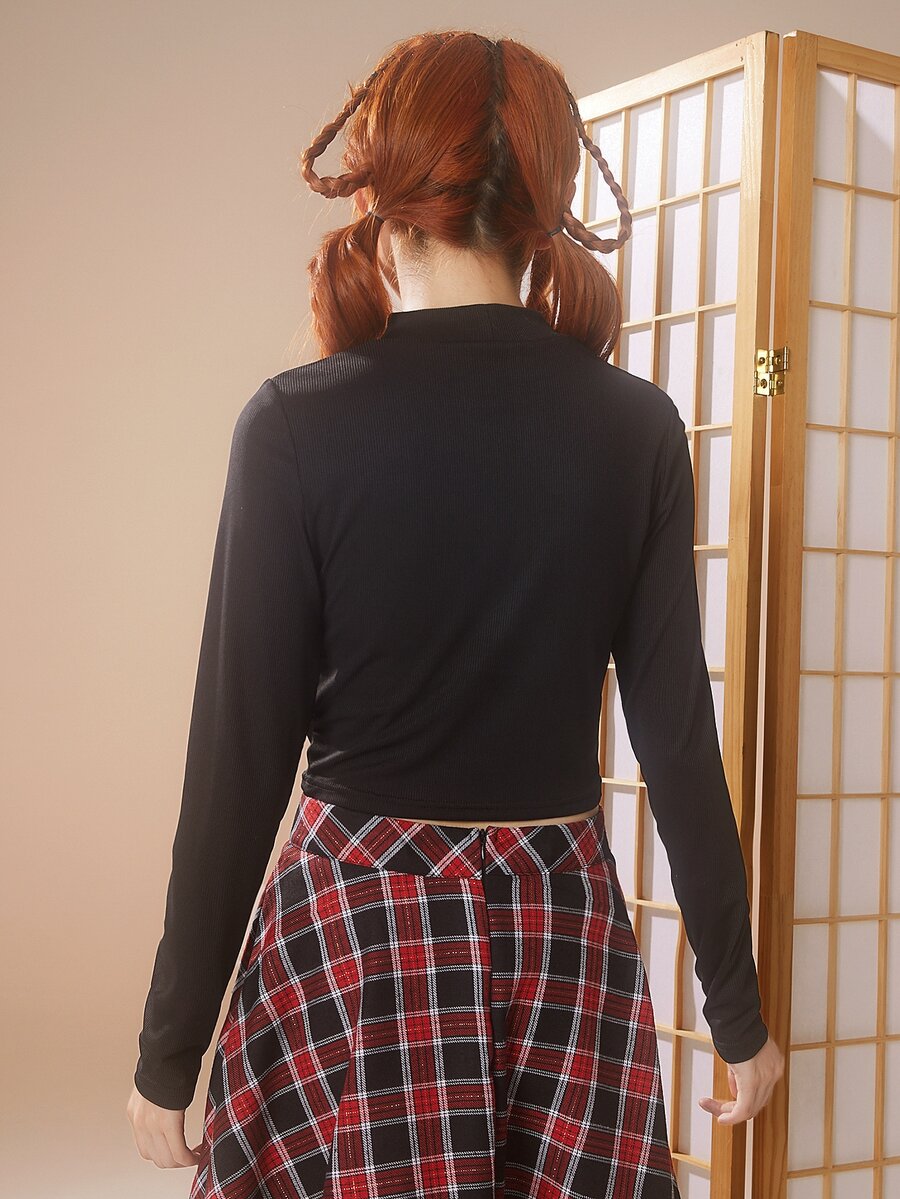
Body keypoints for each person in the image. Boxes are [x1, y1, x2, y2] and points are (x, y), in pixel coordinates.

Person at [126, 28, 783, 1198]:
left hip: (356, 926)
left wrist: (170, 1050)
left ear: (384, 193)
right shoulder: (636, 429)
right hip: (562, 921)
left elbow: (239, 758)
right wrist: (736, 1011)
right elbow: (678, 736)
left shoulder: (293, 425)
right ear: (544, 207)